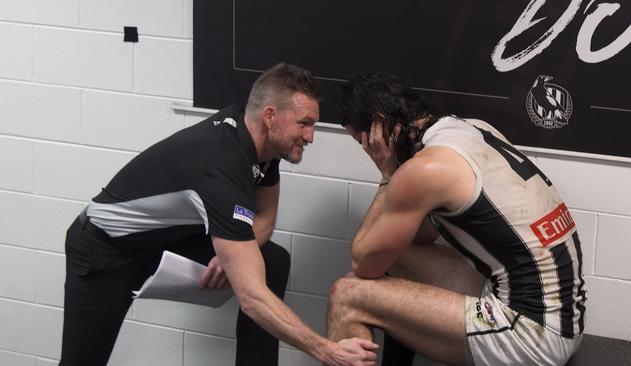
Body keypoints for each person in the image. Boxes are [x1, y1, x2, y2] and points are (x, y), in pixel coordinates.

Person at [59, 63, 378, 366]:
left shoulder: (260, 144)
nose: (310, 136)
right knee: (83, 361)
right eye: (304, 123)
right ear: (270, 116)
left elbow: (265, 217)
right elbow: (252, 297)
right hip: (106, 249)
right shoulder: (221, 167)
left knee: (272, 261)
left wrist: (232, 256)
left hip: (166, 239)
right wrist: (328, 351)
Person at [327, 73, 587, 366]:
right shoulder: (471, 130)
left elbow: (363, 262)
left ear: (378, 126)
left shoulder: (423, 170)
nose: (366, 150)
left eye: (362, 141)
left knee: (346, 296)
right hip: (562, 315)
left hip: (531, 334)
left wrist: (388, 177)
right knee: (398, 256)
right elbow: (422, 237)